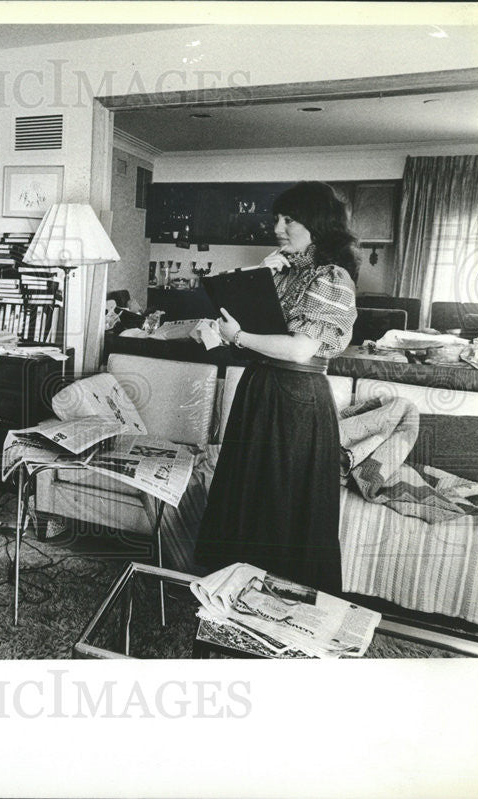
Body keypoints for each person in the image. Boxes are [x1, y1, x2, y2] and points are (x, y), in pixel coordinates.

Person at [193, 181, 359, 594]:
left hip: (297, 401)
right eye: (277, 219)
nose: (278, 227)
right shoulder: (289, 271)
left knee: (282, 504)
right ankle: (235, 599)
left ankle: (278, 609)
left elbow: (302, 349)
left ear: (317, 225)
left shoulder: (332, 276)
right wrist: (261, 278)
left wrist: (238, 337)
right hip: (262, 390)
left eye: (289, 219)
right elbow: (260, 325)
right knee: (249, 499)